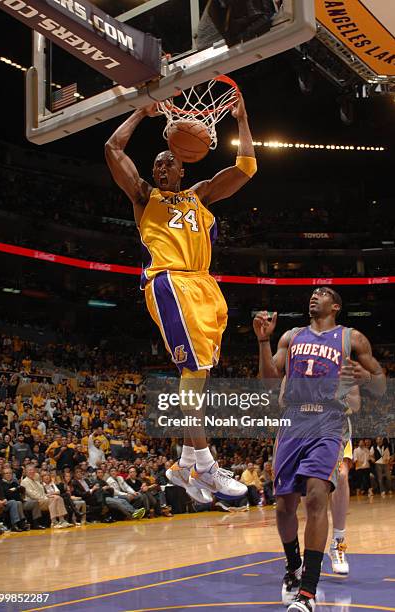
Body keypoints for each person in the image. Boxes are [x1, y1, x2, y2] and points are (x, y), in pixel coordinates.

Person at [105, 91, 256, 502]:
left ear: (183, 167)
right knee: (191, 376)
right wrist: (142, 110)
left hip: (205, 286)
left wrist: (241, 119)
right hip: (170, 281)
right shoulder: (144, 196)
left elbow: (246, 167)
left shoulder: (201, 194)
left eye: (167, 161)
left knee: (199, 375)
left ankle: (185, 464)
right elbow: (112, 148)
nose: (161, 165)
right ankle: (206, 465)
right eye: (156, 163)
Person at [254, 286, 386, 611]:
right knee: (284, 506)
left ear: (336, 306)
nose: (315, 295)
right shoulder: (291, 336)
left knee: (316, 497)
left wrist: (367, 378)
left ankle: (307, 594)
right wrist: (263, 341)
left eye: (323, 292)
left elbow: (381, 384)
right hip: (293, 421)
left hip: (329, 421)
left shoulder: (352, 339)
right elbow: (267, 383)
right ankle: (292, 568)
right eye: (313, 292)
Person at [328, 385, 360, 575]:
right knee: (308, 484)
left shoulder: (345, 366)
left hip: (336, 423)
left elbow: (355, 404)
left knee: (341, 475)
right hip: (307, 422)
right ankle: (310, 549)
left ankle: (338, 543)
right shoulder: (300, 358)